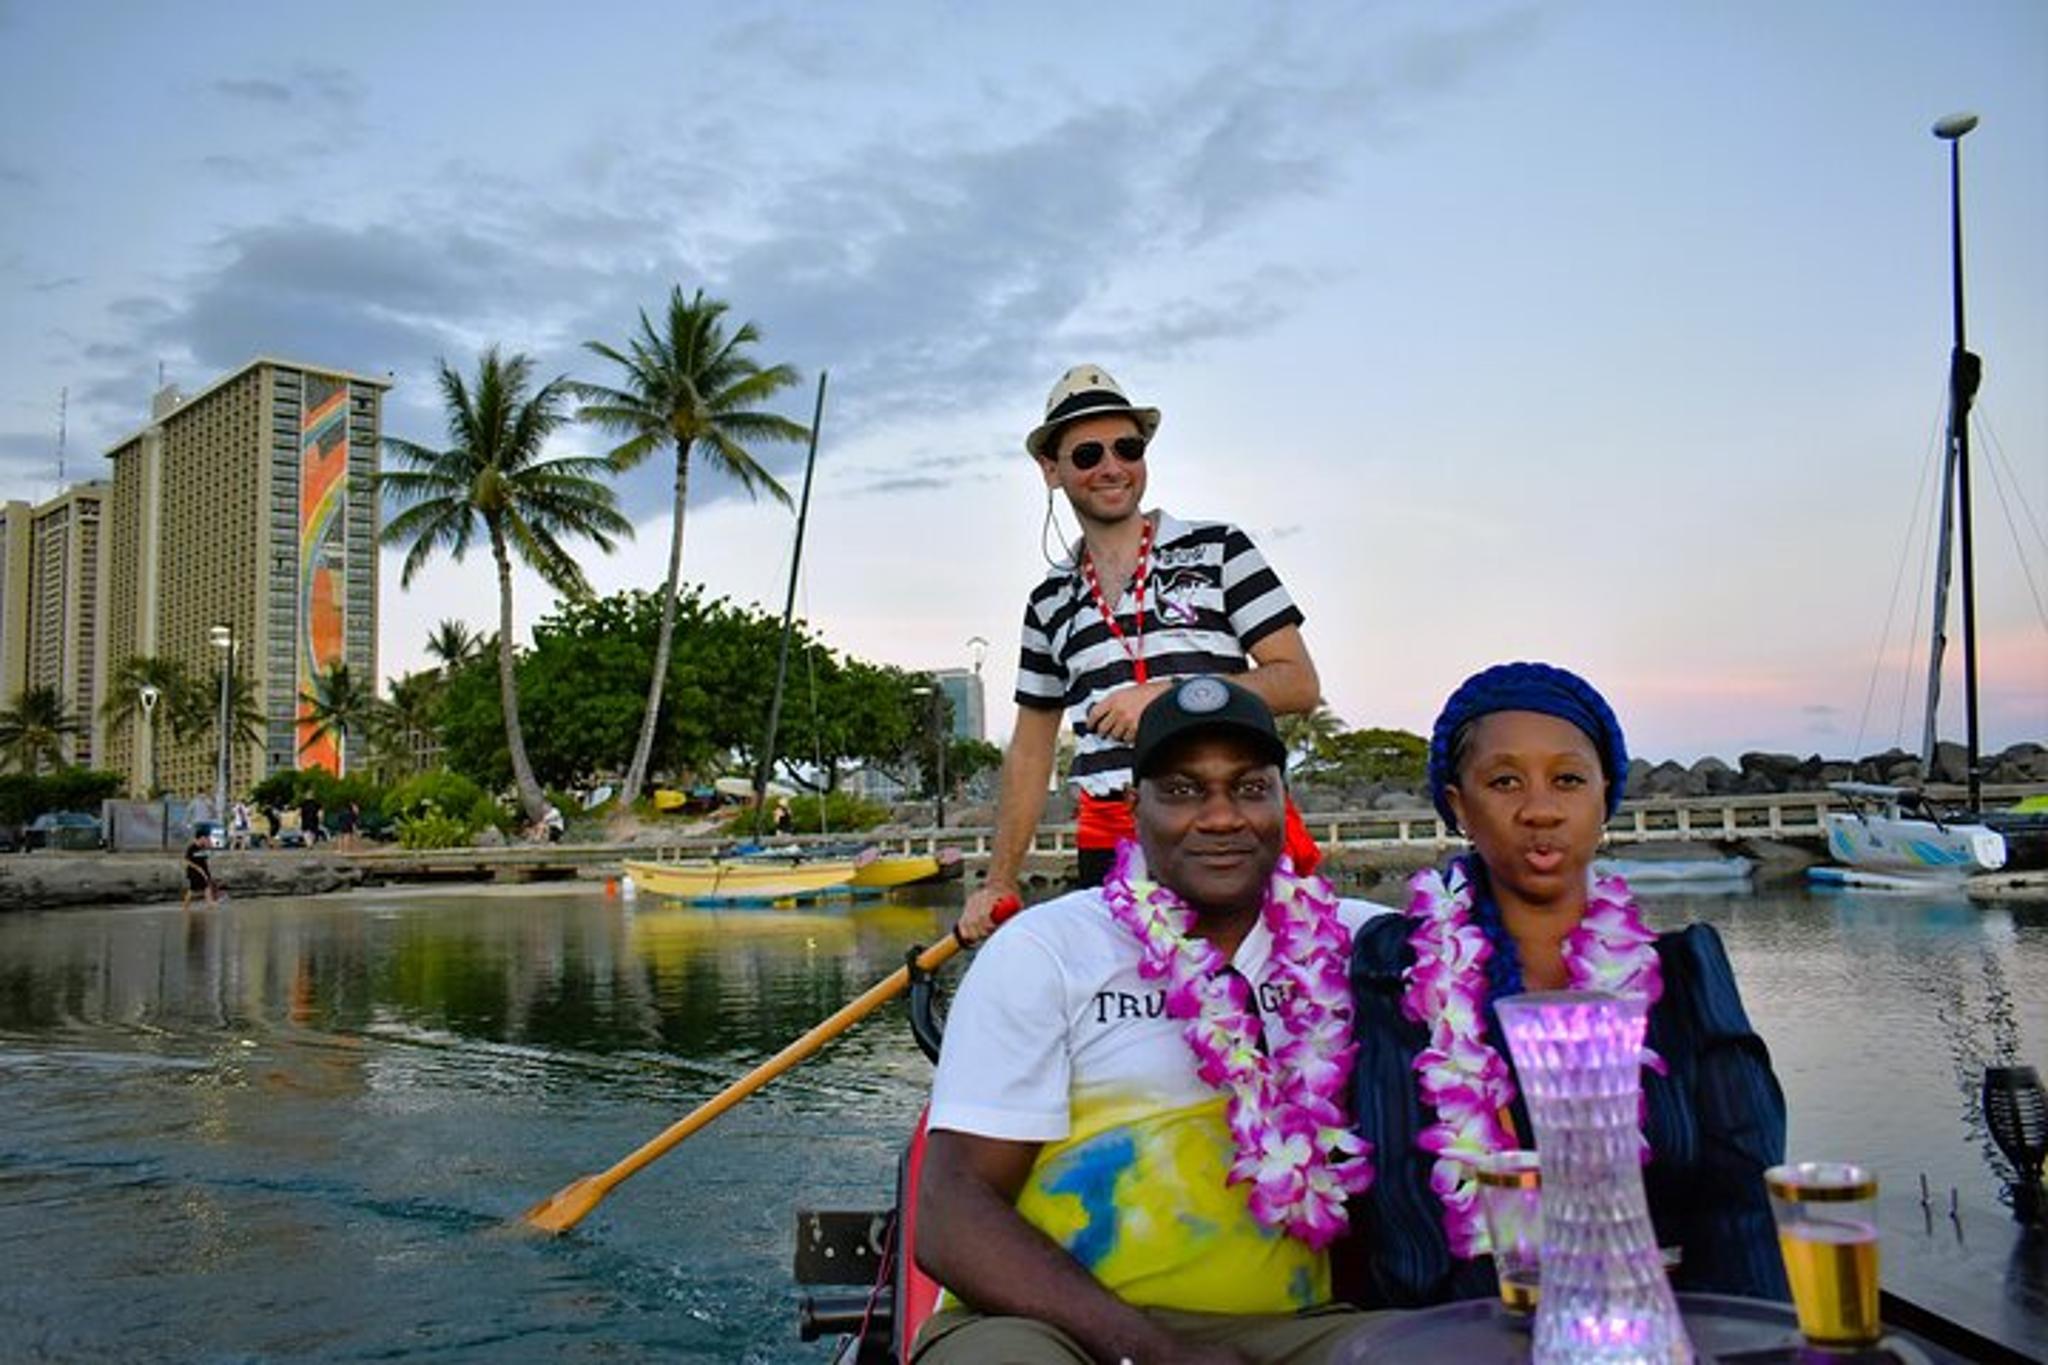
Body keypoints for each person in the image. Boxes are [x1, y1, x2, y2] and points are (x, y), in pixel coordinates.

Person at [915, 677, 1390, 1363]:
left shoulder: (1365, 943)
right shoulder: (1047, 950)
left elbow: (1517, 957)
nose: (1222, 816)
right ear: (1134, 808)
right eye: (1184, 789)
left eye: (1250, 787)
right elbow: (951, 1211)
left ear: (1284, 804)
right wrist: (1159, 1354)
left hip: (1303, 1329)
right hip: (1047, 1329)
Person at [1343, 662, 1788, 1308]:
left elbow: (1745, 1204)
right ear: (1459, 804)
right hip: (1470, 1336)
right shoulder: (1399, 971)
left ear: (1605, 795)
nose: (1541, 809)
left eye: (1569, 779)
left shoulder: (1686, 973)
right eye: (1504, 781)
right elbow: (1404, 1215)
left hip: (1673, 1329)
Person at [959, 365, 1322, 942]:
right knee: (1131, 1022)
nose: (1111, 467)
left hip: (1225, 826)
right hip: (1110, 843)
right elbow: (1030, 751)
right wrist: (1001, 881)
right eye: (1087, 455)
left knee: (1267, 1011)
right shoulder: (1049, 601)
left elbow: (1298, 683)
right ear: (1051, 470)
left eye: (1127, 448)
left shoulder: (1220, 549)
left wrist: (1170, 700)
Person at [182, 832, 217, 908]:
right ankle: (185, 906)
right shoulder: (191, 848)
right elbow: (186, 861)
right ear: (200, 838)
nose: (205, 840)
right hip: (194, 871)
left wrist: (210, 846)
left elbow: (209, 856)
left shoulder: (203, 847)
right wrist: (197, 868)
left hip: (204, 870)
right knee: (193, 889)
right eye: (204, 838)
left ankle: (210, 904)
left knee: (206, 887)